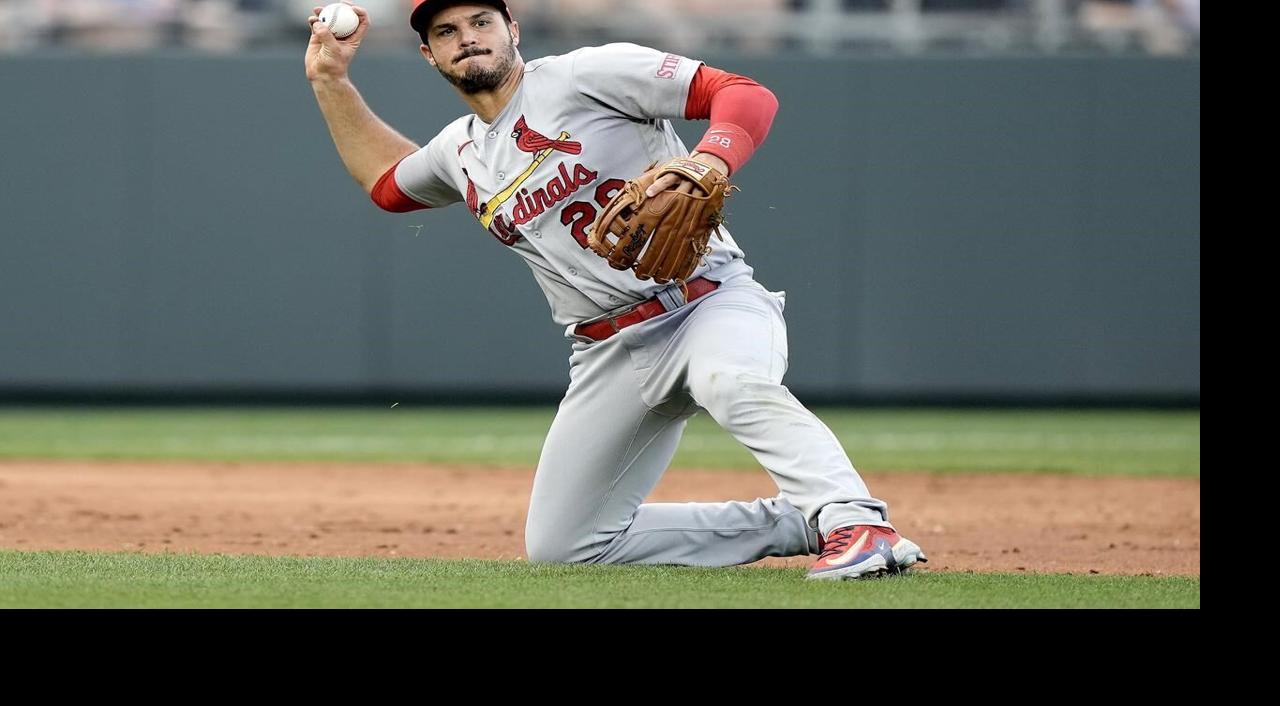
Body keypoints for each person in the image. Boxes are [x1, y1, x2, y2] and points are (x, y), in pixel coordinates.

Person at [305, 0, 926, 579]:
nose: (468, 38)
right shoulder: (459, 151)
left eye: (481, 21)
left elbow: (743, 94)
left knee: (730, 380)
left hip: (705, 301)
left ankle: (854, 520)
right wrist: (331, 82)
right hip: (608, 351)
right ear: (430, 56)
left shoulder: (585, 75)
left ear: (512, 29)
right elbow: (387, 186)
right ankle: (797, 521)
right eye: (446, 32)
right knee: (564, 547)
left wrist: (710, 161)